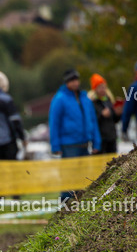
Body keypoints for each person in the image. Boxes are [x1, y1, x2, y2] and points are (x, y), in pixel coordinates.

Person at [49, 70, 100, 207]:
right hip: (69, 145)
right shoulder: (60, 99)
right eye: (72, 80)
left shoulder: (85, 98)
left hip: (85, 144)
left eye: (76, 79)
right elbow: (54, 123)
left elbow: (93, 121)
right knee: (69, 179)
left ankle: (79, 208)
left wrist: (96, 141)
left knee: (83, 179)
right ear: (67, 82)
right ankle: (64, 210)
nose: (75, 82)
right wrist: (55, 146)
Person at [88, 73, 119, 154]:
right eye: (100, 87)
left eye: (104, 87)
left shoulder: (109, 100)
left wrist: (118, 113)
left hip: (111, 138)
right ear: (95, 89)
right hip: (100, 139)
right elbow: (91, 121)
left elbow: (115, 120)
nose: (103, 89)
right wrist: (102, 115)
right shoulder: (92, 102)